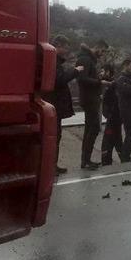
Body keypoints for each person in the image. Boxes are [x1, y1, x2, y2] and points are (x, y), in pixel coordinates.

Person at [44, 35, 83, 174]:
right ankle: (50, 167)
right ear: (58, 46)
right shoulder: (53, 61)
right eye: (65, 47)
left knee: (56, 136)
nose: (67, 50)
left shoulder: (53, 61)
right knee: (53, 137)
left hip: (53, 105)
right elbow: (59, 80)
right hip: (54, 105)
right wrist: (75, 71)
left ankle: (52, 165)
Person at [76, 39, 110, 170]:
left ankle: (85, 160)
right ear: (98, 47)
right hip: (89, 99)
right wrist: (100, 82)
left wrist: (99, 79)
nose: (103, 54)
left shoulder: (89, 59)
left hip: (91, 98)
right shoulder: (85, 59)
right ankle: (86, 160)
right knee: (94, 128)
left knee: (89, 129)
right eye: (103, 51)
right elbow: (82, 79)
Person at [99, 64, 123, 166]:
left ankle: (106, 160)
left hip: (113, 117)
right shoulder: (108, 85)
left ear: (108, 72)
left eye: (102, 71)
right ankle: (124, 157)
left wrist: (108, 114)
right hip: (114, 117)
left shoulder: (112, 85)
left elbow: (111, 101)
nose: (101, 73)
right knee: (117, 138)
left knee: (108, 138)